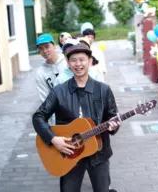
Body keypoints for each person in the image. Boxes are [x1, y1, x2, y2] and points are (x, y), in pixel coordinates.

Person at [32, 43, 120, 192]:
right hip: (69, 154)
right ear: (67, 63)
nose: (78, 64)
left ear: (90, 61)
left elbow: (113, 118)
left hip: (99, 154)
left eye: (82, 59)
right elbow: (38, 117)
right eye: (73, 60)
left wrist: (114, 126)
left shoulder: (103, 90)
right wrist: (53, 139)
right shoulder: (59, 91)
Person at [35, 33, 67, 125]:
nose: (45, 51)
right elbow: (45, 100)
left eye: (47, 46)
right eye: (41, 48)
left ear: (54, 46)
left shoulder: (66, 61)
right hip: (57, 117)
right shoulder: (41, 73)